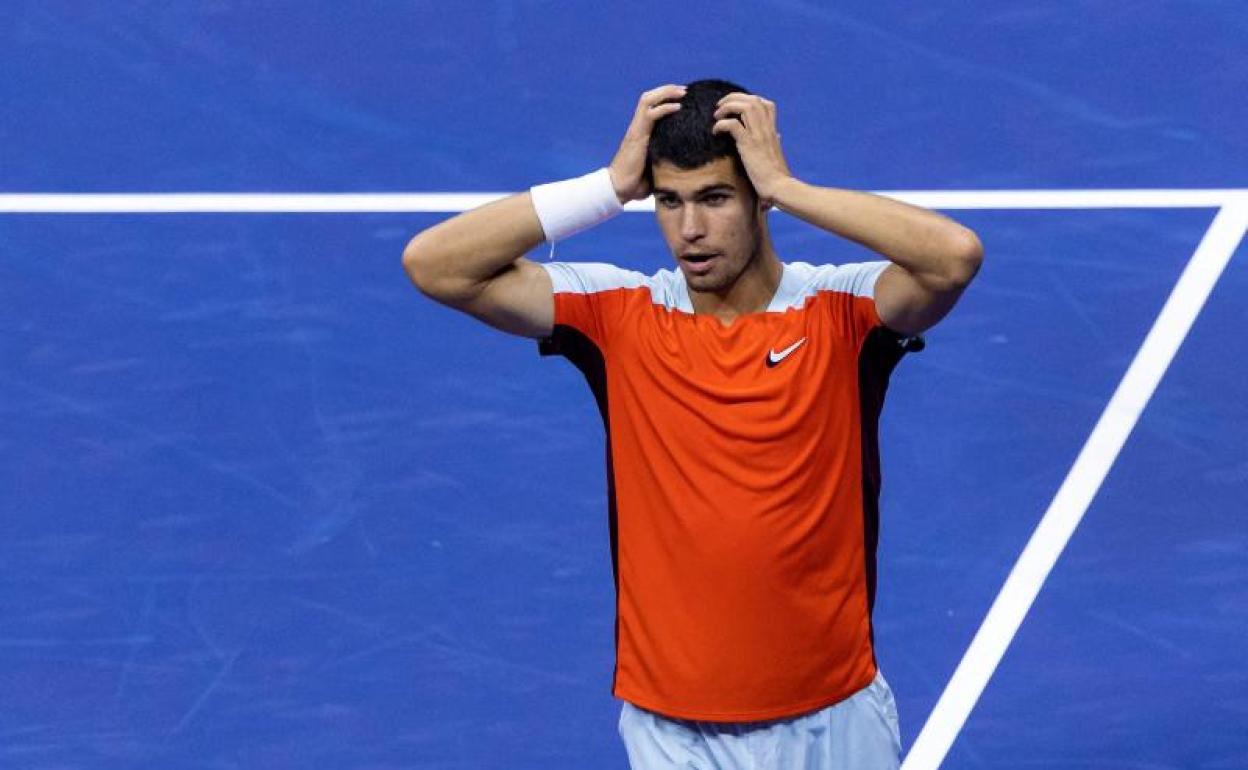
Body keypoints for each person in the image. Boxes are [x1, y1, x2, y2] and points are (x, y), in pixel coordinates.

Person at [402, 79, 982, 769]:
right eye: (668, 202)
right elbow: (434, 266)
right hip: (670, 731)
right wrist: (609, 186)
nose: (690, 231)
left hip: (830, 719)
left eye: (715, 198)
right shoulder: (616, 315)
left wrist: (787, 185)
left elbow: (953, 257)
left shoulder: (843, 310)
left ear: (756, 198)